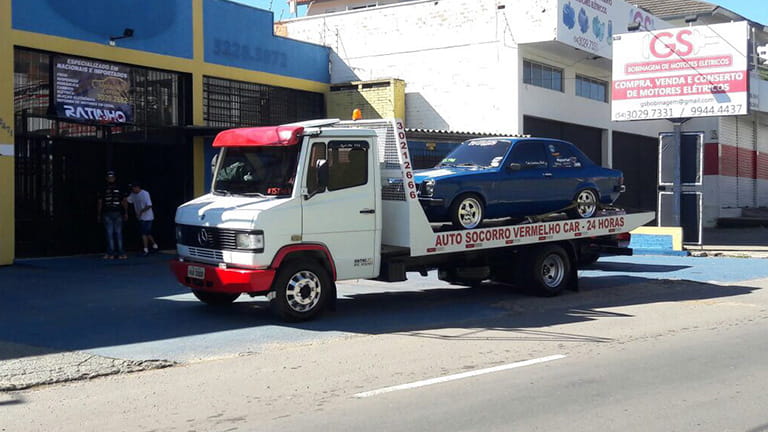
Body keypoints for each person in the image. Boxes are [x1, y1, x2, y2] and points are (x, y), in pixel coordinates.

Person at [96, 170, 128, 259]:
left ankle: (112, 253)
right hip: (114, 212)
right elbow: (124, 201)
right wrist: (125, 212)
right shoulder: (119, 187)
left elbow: (100, 202)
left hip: (110, 212)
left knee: (110, 233)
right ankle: (120, 253)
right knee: (117, 233)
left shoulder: (103, 188)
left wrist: (99, 214)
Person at [127, 181, 159, 257]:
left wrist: (141, 211)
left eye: (134, 188)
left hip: (148, 217)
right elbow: (128, 200)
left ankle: (146, 249)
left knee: (144, 233)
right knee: (147, 232)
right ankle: (155, 245)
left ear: (137, 187)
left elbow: (149, 205)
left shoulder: (145, 193)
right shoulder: (132, 195)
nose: (133, 189)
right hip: (140, 218)